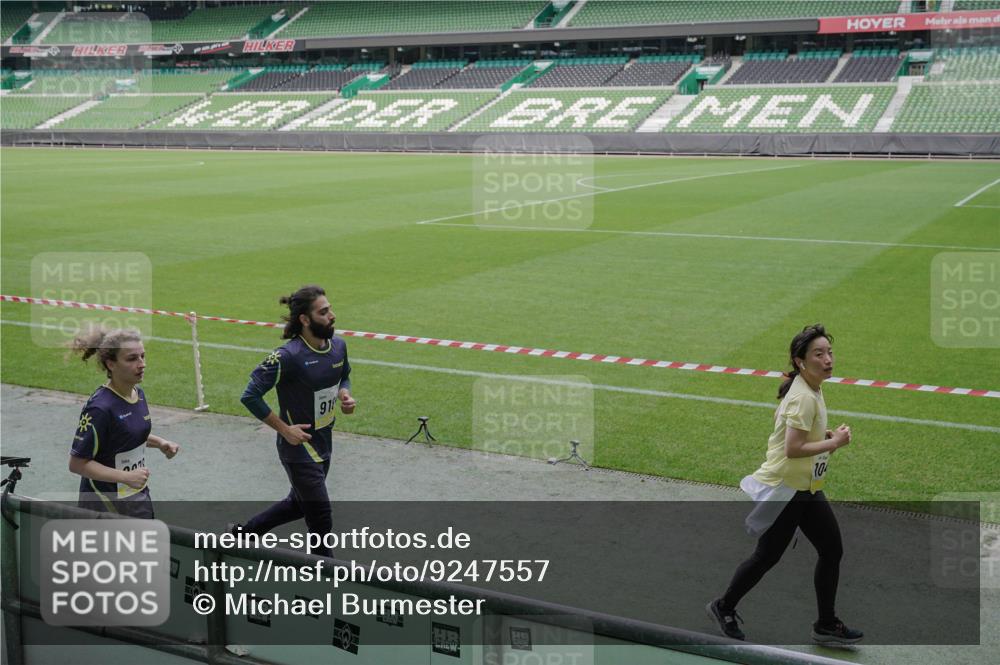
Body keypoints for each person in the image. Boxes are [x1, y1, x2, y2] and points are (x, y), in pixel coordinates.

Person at [707, 324, 862, 645]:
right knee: (767, 556)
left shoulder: (812, 387)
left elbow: (803, 437)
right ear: (800, 361)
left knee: (831, 549)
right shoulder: (803, 397)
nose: (828, 359)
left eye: (829, 352)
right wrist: (836, 444)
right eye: (819, 354)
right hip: (787, 490)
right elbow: (793, 448)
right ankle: (723, 607)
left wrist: (827, 435)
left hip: (805, 487)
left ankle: (826, 623)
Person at [239, 285, 356, 556]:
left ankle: (243, 534)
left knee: (297, 504)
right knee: (320, 519)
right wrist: (284, 430)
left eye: (330, 309)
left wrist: (345, 394)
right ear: (305, 319)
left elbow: (344, 375)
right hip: (298, 450)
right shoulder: (287, 357)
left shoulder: (338, 346)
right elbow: (250, 395)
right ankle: (324, 584)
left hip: (324, 443)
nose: (332, 316)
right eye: (324, 312)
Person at [69, 327, 180, 518]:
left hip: (135, 496)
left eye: (143, 356)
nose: (142, 364)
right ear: (111, 364)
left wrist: (160, 443)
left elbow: (126, 434)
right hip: (104, 504)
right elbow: (77, 463)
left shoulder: (138, 394)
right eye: (132, 359)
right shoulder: (100, 408)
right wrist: (126, 477)